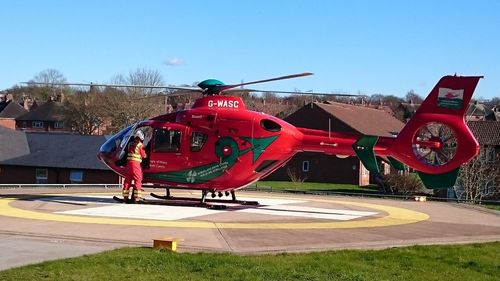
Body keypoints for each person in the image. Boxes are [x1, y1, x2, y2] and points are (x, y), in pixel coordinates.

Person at [122, 130, 147, 202]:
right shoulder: (140, 145)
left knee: (127, 180)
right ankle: (137, 197)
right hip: (135, 165)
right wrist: (146, 155)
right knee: (138, 180)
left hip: (128, 164)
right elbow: (144, 155)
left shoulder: (130, 144)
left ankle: (125, 197)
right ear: (141, 138)